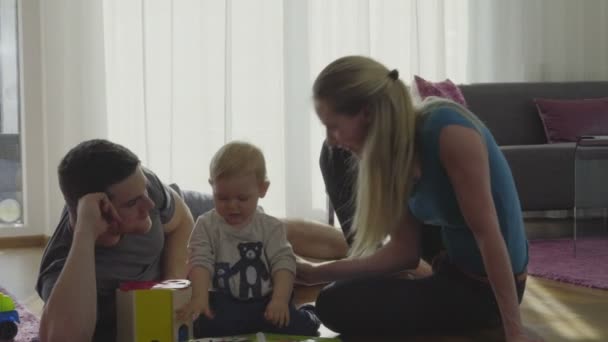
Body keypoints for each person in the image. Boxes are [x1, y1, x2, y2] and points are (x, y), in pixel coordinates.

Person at [297, 56, 540, 342]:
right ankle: (421, 283)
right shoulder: (392, 154)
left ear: (366, 113)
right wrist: (313, 273)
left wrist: (514, 331)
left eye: (334, 126)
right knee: (333, 296)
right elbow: (404, 252)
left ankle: (475, 312)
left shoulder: (449, 132)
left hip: (484, 286)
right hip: (448, 262)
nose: (331, 137)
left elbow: (489, 235)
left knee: (333, 304)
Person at [36, 139, 195, 342]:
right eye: (132, 203)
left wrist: (167, 293)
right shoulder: (61, 265)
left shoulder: (138, 184)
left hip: (201, 214)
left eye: (144, 191)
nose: (149, 203)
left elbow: (183, 221)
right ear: (100, 210)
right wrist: (86, 232)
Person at [177, 141, 320, 337]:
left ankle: (309, 313)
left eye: (242, 198)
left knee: (297, 327)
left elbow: (284, 264)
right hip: (224, 301)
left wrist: (279, 300)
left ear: (263, 189)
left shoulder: (270, 227)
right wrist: (200, 297)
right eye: (222, 198)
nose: (232, 206)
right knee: (204, 325)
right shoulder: (206, 225)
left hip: (266, 300)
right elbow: (199, 261)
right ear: (212, 187)